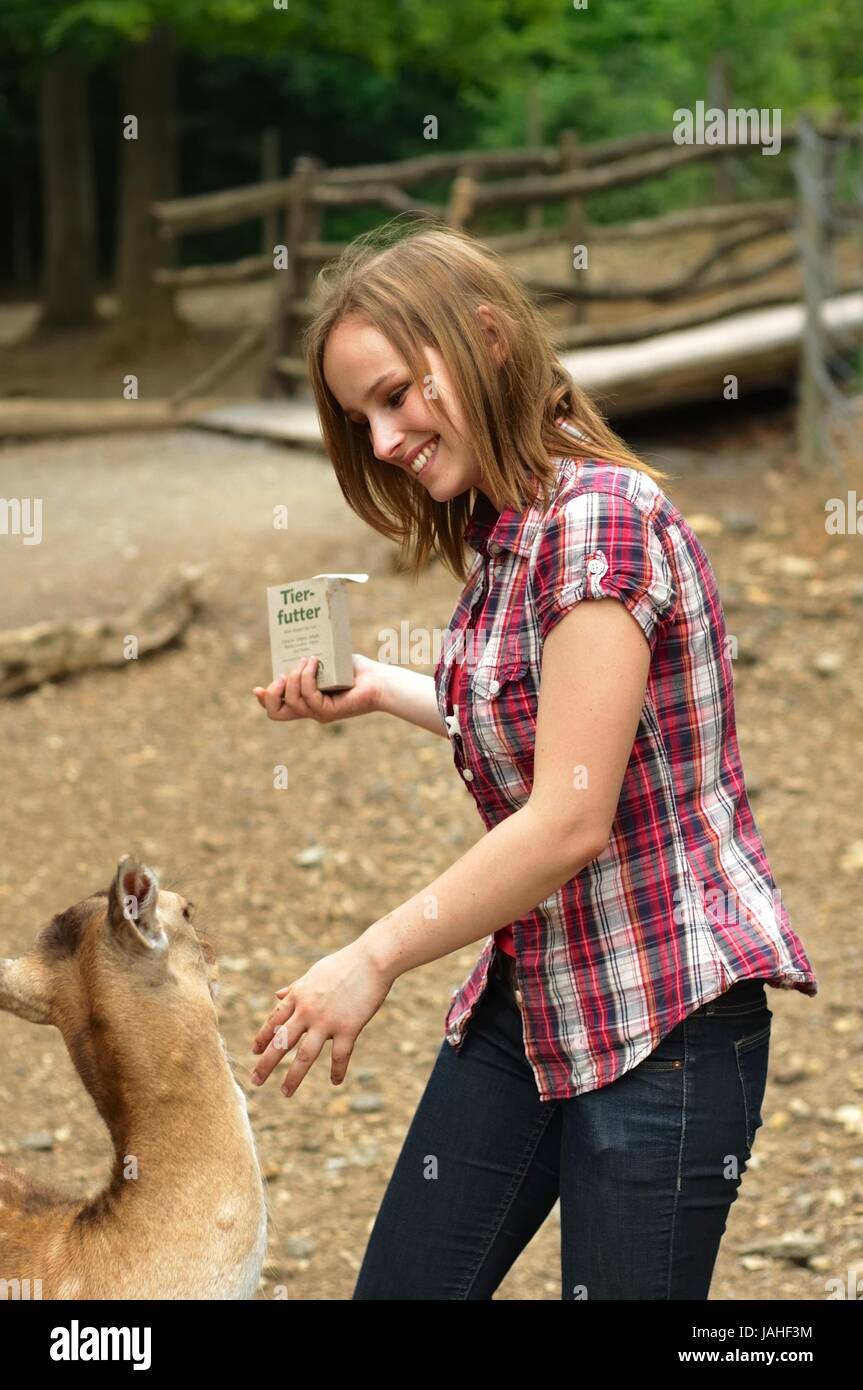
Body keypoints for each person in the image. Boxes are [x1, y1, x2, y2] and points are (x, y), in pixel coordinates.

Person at [248, 218, 818, 1300]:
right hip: (537, 996)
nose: (380, 442)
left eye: (395, 393)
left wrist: (370, 957)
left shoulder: (593, 523)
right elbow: (545, 723)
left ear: (488, 340)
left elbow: (566, 817)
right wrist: (377, 686)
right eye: (360, 415)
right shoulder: (515, 524)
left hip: (666, 1019)